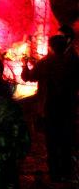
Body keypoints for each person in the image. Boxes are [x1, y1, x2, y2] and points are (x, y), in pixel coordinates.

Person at [22, 35, 79, 181]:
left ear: (50, 47)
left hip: (50, 107)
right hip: (69, 106)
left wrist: (25, 64)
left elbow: (28, 77)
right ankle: (67, 171)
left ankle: (55, 173)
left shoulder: (46, 63)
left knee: (52, 141)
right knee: (67, 140)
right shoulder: (74, 63)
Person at [0, 78, 30, 189]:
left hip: (0, 154)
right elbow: (23, 132)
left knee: (0, 184)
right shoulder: (14, 107)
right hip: (14, 153)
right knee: (12, 180)